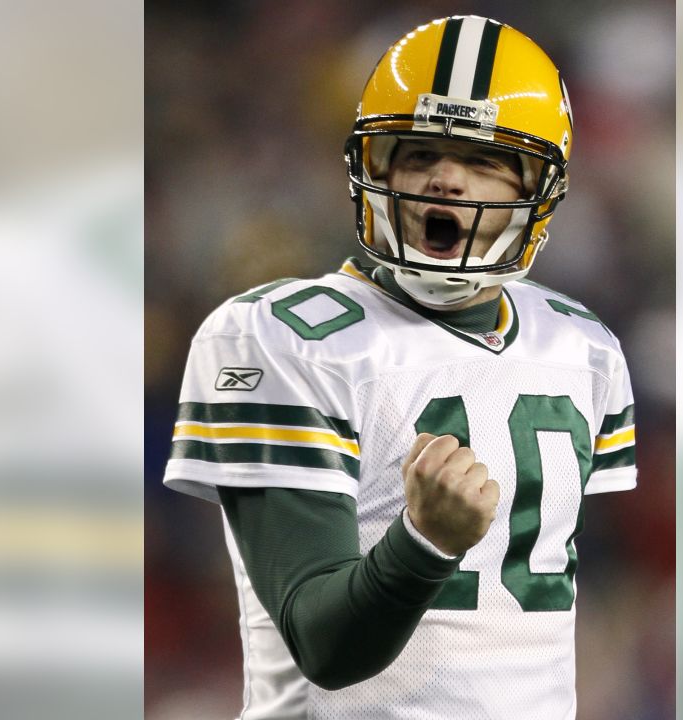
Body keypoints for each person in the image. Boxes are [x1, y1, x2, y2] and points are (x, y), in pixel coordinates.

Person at [163, 15, 637, 719]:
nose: (446, 179)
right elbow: (325, 650)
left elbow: (568, 589)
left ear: (539, 188)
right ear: (374, 168)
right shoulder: (277, 337)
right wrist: (423, 543)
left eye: (484, 160)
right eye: (418, 155)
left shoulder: (582, 344)